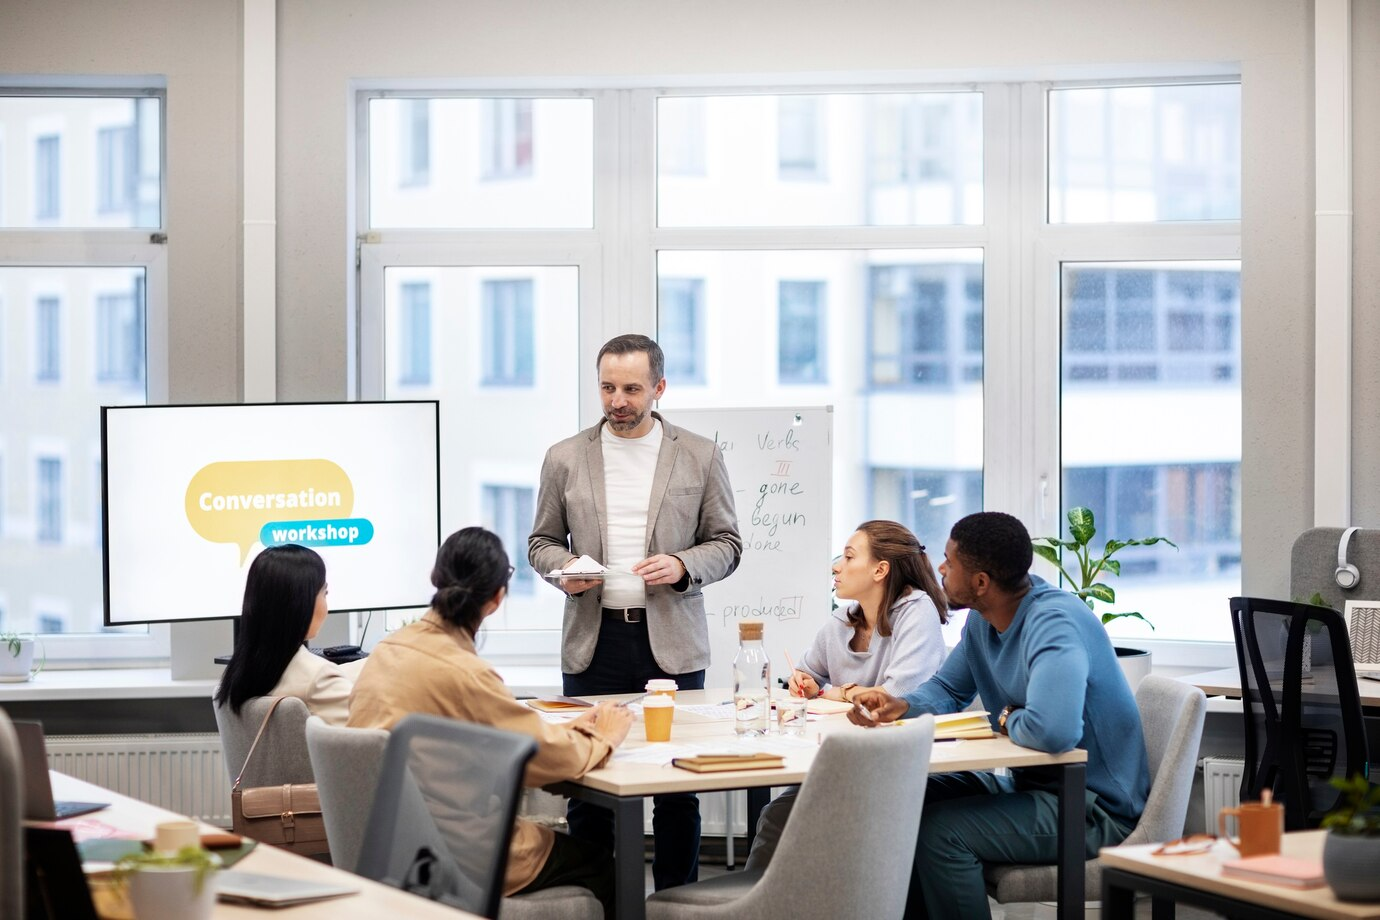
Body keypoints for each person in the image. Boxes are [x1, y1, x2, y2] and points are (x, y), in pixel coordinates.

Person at [848, 511, 1149, 920]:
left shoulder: (1054, 624)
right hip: (1034, 789)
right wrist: (902, 705)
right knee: (902, 799)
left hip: (1092, 809)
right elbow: (949, 689)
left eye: (949, 562)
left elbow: (1054, 732)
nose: (939, 568)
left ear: (981, 583)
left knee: (941, 833)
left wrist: (1006, 717)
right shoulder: (982, 621)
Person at [528, 332, 742, 890]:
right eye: (606, 387)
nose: (617, 400)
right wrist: (567, 569)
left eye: (630, 388)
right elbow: (540, 543)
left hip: (669, 642)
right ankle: (597, 899)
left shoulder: (699, 453)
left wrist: (681, 564)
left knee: (677, 788)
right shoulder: (564, 457)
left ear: (659, 388)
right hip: (593, 642)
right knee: (589, 782)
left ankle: (678, 902)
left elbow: (727, 543)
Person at [349, 527, 633, 917]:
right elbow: (538, 760)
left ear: (437, 579)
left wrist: (574, 728)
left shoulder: (387, 651)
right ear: (497, 598)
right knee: (602, 864)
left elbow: (506, 738)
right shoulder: (464, 672)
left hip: (390, 845)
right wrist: (605, 737)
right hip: (459, 855)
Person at [745, 519, 950, 870]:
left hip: (902, 764)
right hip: (850, 757)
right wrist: (802, 683)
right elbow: (806, 673)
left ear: (880, 570)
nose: (836, 566)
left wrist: (827, 691)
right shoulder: (842, 620)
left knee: (781, 816)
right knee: (776, 816)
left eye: (849, 557)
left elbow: (894, 697)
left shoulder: (917, 611)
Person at [214, 543, 361, 725]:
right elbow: (372, 740)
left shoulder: (238, 673)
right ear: (301, 603)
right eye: (325, 593)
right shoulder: (318, 679)